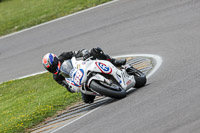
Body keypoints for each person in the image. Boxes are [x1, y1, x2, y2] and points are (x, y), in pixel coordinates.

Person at [42, 47, 126, 103]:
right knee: (87, 100)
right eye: (50, 69)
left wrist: (84, 53)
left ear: (56, 59)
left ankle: (113, 61)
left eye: (53, 65)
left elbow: (77, 53)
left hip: (82, 66)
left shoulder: (64, 56)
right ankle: (103, 88)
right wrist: (71, 87)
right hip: (79, 81)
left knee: (94, 50)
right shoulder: (56, 77)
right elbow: (66, 85)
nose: (53, 68)